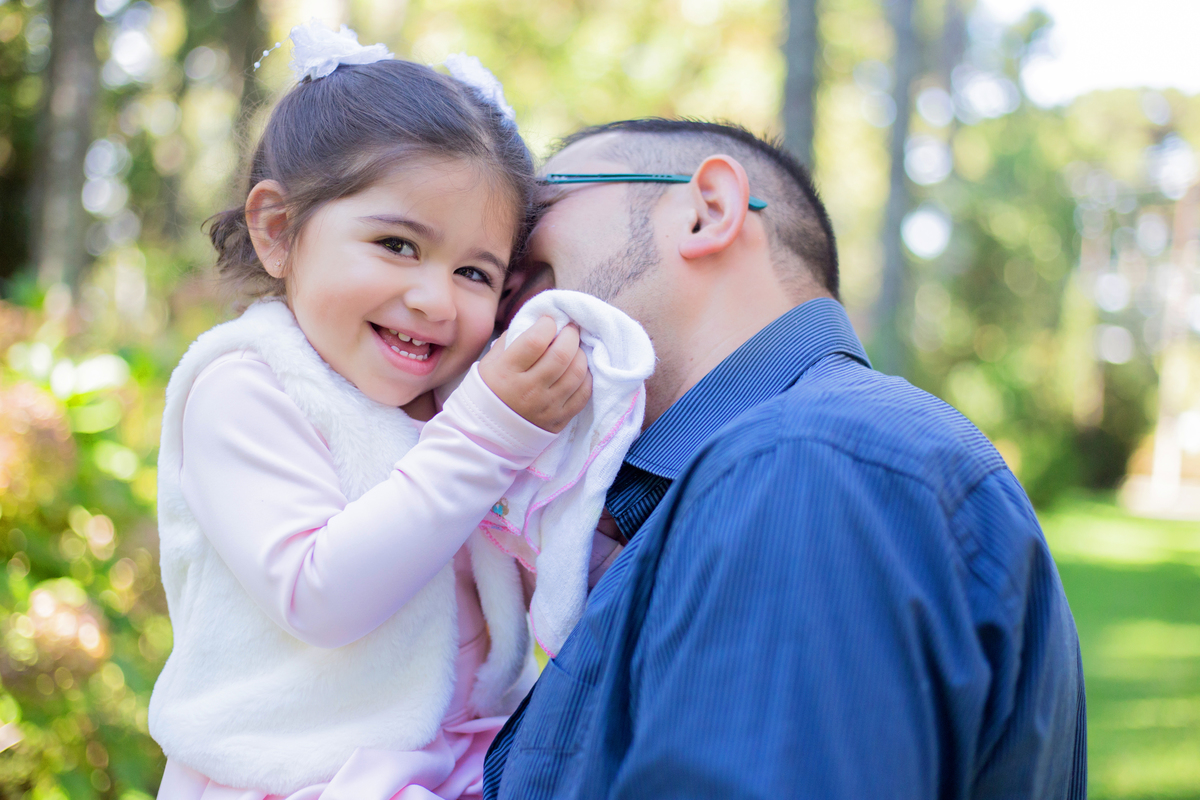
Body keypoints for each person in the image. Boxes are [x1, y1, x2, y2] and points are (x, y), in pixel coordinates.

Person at [483, 119, 1087, 799]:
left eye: (538, 207)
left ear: (708, 210)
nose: (499, 271)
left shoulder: (803, 464)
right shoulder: (794, 466)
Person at [149, 25, 595, 799]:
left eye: (474, 273)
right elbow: (317, 595)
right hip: (290, 770)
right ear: (278, 231)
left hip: (458, 759)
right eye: (397, 244)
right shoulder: (245, 387)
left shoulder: (452, 404)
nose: (434, 299)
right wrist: (489, 433)